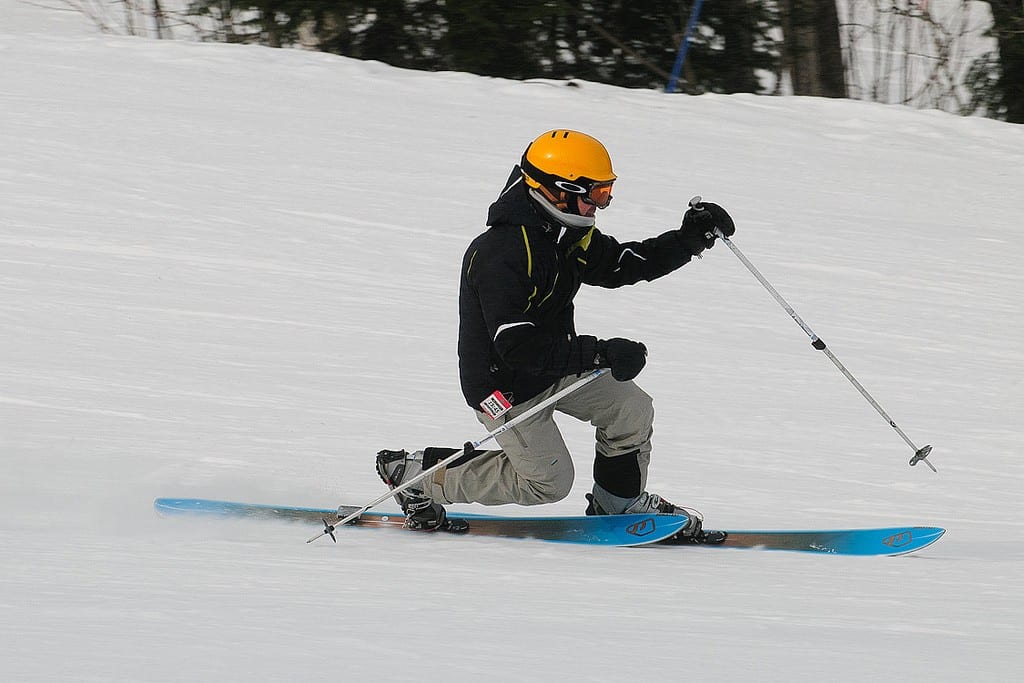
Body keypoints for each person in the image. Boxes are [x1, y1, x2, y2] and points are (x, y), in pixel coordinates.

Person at [376, 129, 735, 538]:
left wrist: (688, 241)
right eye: (596, 193)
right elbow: (517, 347)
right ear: (558, 191)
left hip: (553, 364)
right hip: (505, 387)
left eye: (607, 192)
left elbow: (621, 264)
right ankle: (415, 476)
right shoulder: (502, 253)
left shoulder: (565, 235)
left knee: (630, 409)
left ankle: (617, 506)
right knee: (548, 483)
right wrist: (600, 352)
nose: (601, 204)